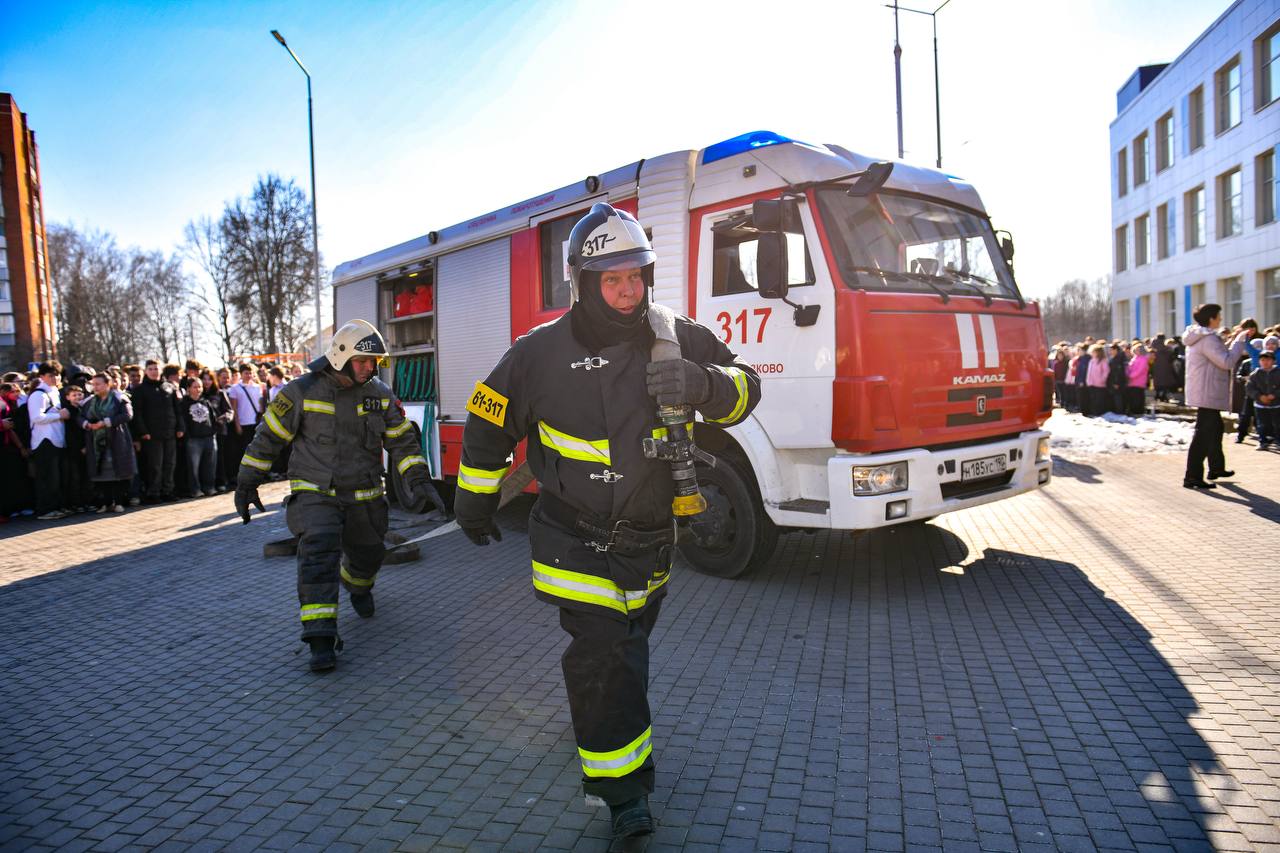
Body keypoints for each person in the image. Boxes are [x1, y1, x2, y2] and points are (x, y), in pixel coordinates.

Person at [454, 203, 762, 843]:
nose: (628, 292)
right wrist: (474, 501)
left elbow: (747, 387)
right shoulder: (536, 352)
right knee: (604, 658)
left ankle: (611, 736)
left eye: (637, 276)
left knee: (629, 649)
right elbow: (486, 420)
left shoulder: (675, 336)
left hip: (652, 542)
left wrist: (702, 382)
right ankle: (623, 794)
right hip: (573, 540)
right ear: (582, 281)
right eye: (612, 279)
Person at [235, 319, 444, 673]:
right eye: (362, 361)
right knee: (318, 553)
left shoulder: (379, 394)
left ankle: (358, 585)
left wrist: (419, 479)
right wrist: (246, 482)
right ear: (340, 356)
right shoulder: (301, 391)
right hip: (316, 492)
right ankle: (320, 638)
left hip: (365, 493)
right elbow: (267, 438)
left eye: (373, 362)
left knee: (370, 553)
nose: (368, 368)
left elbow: (402, 441)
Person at [1182, 304, 1251, 489]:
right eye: (1218, 316)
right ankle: (1193, 476)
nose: (1220, 319)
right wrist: (1239, 342)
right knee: (1204, 435)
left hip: (1204, 391)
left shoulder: (1201, 336)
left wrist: (1232, 341)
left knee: (1214, 429)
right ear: (1211, 319)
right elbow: (1226, 362)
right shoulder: (1208, 339)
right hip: (1208, 392)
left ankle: (1216, 468)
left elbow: (1218, 355)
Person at [80, 372, 135, 512]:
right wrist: (87, 424)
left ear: (108, 384)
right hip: (96, 441)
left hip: (116, 439)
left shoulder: (119, 398)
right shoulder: (89, 401)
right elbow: (80, 417)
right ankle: (105, 502)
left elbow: (127, 415)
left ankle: (119, 502)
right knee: (101, 471)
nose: (95, 387)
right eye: (93, 384)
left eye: (98, 384)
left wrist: (107, 422)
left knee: (117, 471)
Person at [131, 360, 183, 503]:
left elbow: (177, 410)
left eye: (156, 368)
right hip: (152, 435)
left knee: (170, 464)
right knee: (155, 466)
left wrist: (180, 427)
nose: (154, 371)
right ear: (146, 371)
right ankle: (153, 493)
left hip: (170, 433)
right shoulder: (140, 390)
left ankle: (168, 491)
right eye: (151, 369)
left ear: (161, 370)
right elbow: (138, 413)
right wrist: (143, 431)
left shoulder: (169, 387)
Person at [27, 361, 70, 520]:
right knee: (47, 477)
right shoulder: (38, 394)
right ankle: (45, 510)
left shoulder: (55, 392)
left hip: (56, 439)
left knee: (56, 477)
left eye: (57, 375)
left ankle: (56, 507)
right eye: (51, 375)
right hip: (44, 440)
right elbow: (36, 417)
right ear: (42, 376)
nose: (55, 378)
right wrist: (59, 415)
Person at [179, 377, 219, 497]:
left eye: (200, 387)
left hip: (209, 437)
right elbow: (182, 421)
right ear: (188, 389)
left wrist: (213, 431)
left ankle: (209, 487)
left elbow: (213, 418)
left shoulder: (206, 402)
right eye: (195, 387)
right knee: (193, 467)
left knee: (210, 465)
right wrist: (188, 435)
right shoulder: (183, 403)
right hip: (193, 440)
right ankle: (195, 490)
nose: (198, 389)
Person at [0, 381, 35, 519]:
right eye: (12, 391)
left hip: (11, 446)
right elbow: (9, 427)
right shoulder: (4, 405)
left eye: (17, 391)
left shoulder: (16, 405)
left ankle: (17, 506)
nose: (16, 394)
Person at [226, 363, 263, 473]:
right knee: (244, 450)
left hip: (256, 423)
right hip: (243, 423)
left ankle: (257, 472)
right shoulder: (235, 388)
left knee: (257, 449)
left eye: (250, 373)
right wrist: (237, 425)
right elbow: (234, 408)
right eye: (246, 373)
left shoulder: (257, 387)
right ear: (241, 374)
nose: (249, 375)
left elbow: (260, 406)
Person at [61, 383, 92, 512]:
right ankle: (76, 503)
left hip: (85, 447)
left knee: (85, 476)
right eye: (74, 395)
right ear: (67, 397)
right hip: (74, 449)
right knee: (75, 477)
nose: (77, 397)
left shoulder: (84, 409)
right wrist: (80, 447)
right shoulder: (67, 411)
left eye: (79, 394)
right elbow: (71, 433)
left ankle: (86, 501)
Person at [1246, 349, 1279, 449]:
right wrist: (1259, 396)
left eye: (1268, 360)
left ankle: (1278, 441)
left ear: (1273, 361)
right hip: (1260, 404)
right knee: (1262, 424)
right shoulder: (1255, 374)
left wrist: (1275, 395)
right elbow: (1249, 388)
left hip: (1276, 404)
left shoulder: (1278, 373)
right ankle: (1263, 442)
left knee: (1277, 423)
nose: (1265, 362)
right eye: (1262, 360)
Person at [1084, 344, 1108, 416]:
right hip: (1091, 383)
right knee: (1093, 399)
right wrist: (1088, 381)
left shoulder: (1103, 361)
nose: (1092, 353)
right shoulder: (1091, 361)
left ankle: (1100, 412)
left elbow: (1106, 371)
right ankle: (1094, 412)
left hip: (1100, 384)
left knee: (1099, 399)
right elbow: (1089, 372)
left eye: (1094, 352)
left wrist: (1102, 380)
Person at [1126, 343, 1149, 416]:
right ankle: (1133, 411)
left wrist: (1130, 376)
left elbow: (1140, 370)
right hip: (1132, 382)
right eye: (1135, 349)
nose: (1136, 351)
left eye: (1138, 350)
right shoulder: (1134, 358)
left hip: (1139, 382)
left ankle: (1138, 412)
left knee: (1138, 398)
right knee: (1132, 397)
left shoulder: (1143, 359)